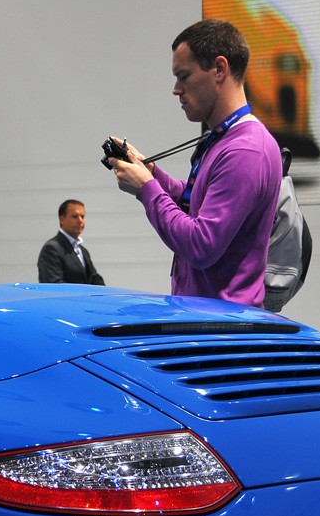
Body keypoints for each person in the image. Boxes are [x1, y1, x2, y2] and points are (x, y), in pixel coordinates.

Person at [107, 19, 281, 308]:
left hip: (222, 327)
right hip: (209, 319)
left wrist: (147, 189)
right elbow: (198, 203)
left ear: (219, 69)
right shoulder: (226, 139)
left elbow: (201, 245)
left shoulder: (246, 150)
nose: (176, 89)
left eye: (184, 76)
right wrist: (152, 173)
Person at [37, 199, 105, 285]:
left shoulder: (83, 251)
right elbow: (54, 284)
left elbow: (94, 278)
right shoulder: (52, 249)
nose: (80, 220)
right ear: (62, 219)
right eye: (75, 216)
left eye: (82, 216)